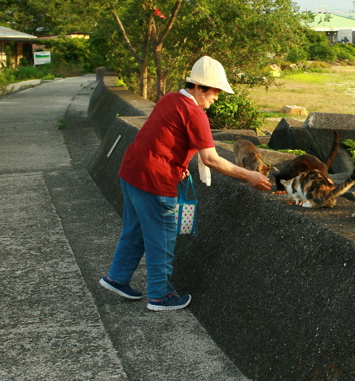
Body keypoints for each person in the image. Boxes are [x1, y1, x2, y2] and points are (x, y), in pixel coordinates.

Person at [100, 56, 272, 310]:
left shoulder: (171, 99)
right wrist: (249, 175)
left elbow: (162, 137)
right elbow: (211, 159)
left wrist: (179, 165)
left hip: (132, 171)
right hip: (155, 180)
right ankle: (160, 296)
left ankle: (117, 278)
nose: (217, 97)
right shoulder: (195, 113)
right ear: (200, 87)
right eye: (216, 91)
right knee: (162, 238)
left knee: (134, 230)